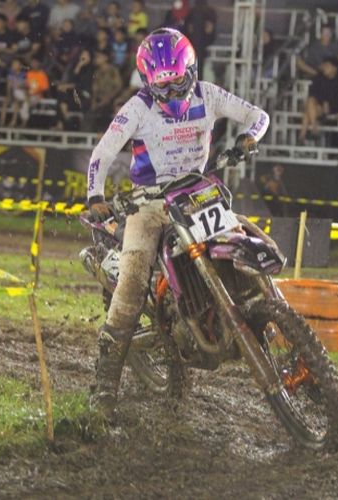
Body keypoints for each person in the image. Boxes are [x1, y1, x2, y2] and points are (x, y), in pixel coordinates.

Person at [85, 28, 269, 421]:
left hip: (201, 192)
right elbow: (102, 153)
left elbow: (259, 116)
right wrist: (94, 196)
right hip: (150, 203)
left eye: (177, 82)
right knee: (133, 281)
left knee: (246, 237)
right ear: (147, 81)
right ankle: (103, 386)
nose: (171, 93)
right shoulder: (137, 108)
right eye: (162, 86)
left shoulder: (209, 94)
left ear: (192, 71)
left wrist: (249, 139)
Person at [299, 57, 338, 143]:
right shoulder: (319, 77)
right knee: (310, 101)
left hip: (331, 107)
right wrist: (324, 101)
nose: (324, 68)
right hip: (318, 105)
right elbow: (313, 92)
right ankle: (313, 128)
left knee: (308, 109)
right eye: (324, 65)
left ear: (335, 68)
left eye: (327, 66)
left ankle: (303, 135)